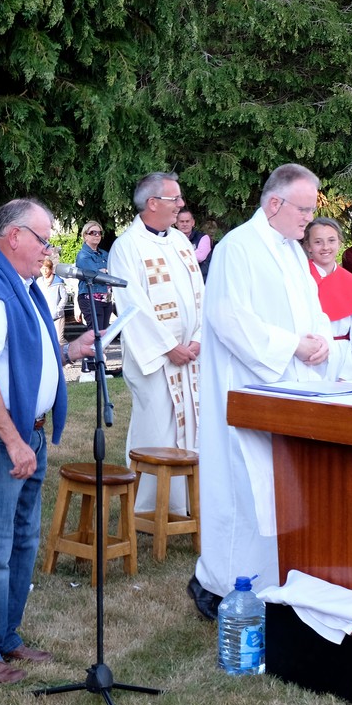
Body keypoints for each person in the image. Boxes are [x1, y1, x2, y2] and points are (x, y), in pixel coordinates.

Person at [0, 197, 98, 684]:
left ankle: (5, 636)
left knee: (21, 542)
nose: (48, 248)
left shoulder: (20, 285)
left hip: (20, 434)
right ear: (15, 237)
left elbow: (25, 357)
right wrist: (14, 442)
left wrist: (68, 352)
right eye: (43, 238)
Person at [190, 163, 337, 616]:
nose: (309, 220)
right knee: (241, 491)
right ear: (274, 204)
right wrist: (292, 345)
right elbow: (230, 319)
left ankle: (272, 581)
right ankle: (219, 587)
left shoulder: (293, 252)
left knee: (277, 491)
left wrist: (320, 342)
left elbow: (313, 310)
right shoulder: (239, 247)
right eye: (304, 209)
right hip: (247, 388)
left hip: (288, 387)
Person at [107, 171, 204, 517]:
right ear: (152, 203)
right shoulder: (126, 246)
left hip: (190, 357)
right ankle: (150, 506)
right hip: (156, 360)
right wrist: (169, 347)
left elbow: (199, 294)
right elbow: (132, 305)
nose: (180, 205)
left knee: (194, 427)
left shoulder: (179, 241)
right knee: (158, 429)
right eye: (174, 199)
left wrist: (195, 339)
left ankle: (189, 502)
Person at [304, 217, 352, 381]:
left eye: (331, 240)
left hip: (342, 362)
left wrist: (348, 377)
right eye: (318, 242)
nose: (325, 247)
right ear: (308, 246)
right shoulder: (297, 279)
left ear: (340, 243)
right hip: (306, 358)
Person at [73, 221, 113, 331]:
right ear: (85, 235)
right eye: (93, 232)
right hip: (91, 299)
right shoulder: (83, 256)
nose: (97, 235)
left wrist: (105, 271)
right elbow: (95, 275)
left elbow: (113, 271)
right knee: (96, 336)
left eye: (99, 233)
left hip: (106, 300)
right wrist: (105, 272)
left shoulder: (104, 254)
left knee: (104, 334)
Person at [35, 256, 70, 343]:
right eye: (42, 269)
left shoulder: (58, 281)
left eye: (46, 269)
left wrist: (58, 310)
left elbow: (64, 297)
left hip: (57, 316)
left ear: (51, 269)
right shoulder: (39, 281)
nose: (44, 271)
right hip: (43, 314)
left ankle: (67, 353)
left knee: (59, 339)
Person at [175, 207, 213, 281]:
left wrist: (176, 256)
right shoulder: (171, 239)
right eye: (181, 221)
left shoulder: (203, 238)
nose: (184, 224)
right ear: (176, 223)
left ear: (193, 223)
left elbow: (200, 257)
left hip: (202, 280)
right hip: (181, 280)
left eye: (187, 221)